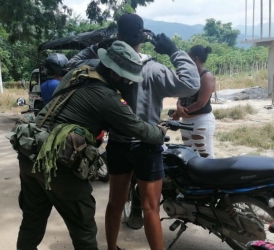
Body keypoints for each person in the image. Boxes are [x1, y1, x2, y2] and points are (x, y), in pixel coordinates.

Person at [16, 41, 168, 250]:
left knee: (32, 220)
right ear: (114, 73)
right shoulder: (106, 96)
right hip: (60, 162)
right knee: (84, 229)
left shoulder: (77, 73)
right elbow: (139, 128)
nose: (128, 83)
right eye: (126, 79)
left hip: (31, 152)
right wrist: (161, 131)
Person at [67, 13, 200, 250]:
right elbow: (191, 84)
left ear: (117, 36)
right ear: (143, 38)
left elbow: (69, 65)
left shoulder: (103, 65)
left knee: (115, 203)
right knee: (150, 207)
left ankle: (111, 248)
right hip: (147, 145)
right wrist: (174, 51)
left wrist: (96, 46)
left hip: (118, 143)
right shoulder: (154, 69)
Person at [172, 45, 216, 159]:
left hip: (201, 121)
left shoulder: (207, 77)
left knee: (205, 155)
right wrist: (178, 108)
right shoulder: (189, 76)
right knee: (189, 155)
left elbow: (201, 103)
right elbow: (181, 96)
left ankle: (210, 177)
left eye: (188, 57)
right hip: (186, 120)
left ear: (195, 59)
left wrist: (179, 113)